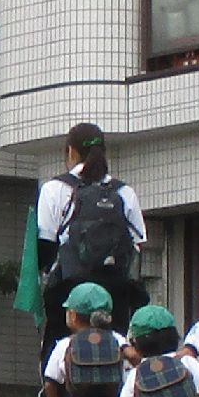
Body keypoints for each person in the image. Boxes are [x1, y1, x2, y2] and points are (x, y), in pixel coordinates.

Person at [38, 125, 146, 359]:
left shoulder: (54, 189)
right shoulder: (124, 192)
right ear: (104, 152)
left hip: (69, 290)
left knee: (62, 356)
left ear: (70, 151)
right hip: (115, 292)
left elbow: (45, 246)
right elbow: (138, 245)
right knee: (114, 352)